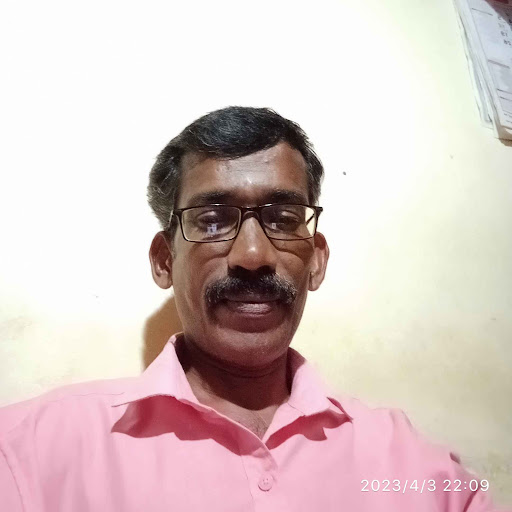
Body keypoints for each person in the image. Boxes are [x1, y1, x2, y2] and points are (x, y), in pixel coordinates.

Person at [0, 107, 505, 511]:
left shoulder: (408, 463)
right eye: (212, 220)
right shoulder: (31, 453)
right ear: (163, 260)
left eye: (283, 218)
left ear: (316, 261)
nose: (252, 255)